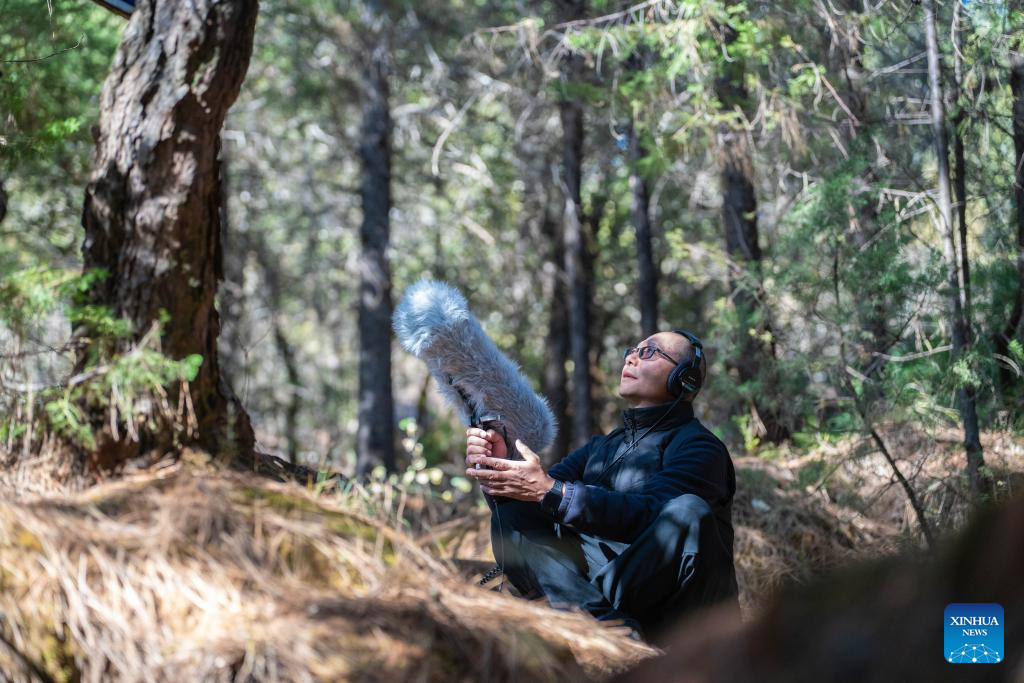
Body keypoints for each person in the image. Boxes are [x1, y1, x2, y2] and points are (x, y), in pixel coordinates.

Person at [464, 330, 738, 640]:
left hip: (670, 608)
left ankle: (605, 632)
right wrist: (499, 467)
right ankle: (603, 633)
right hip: (602, 597)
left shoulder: (700, 447)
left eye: (649, 352)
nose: (631, 358)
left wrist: (552, 492)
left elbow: (653, 516)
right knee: (513, 516)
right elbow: (535, 496)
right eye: (631, 350)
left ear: (684, 379)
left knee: (688, 512)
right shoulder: (601, 447)